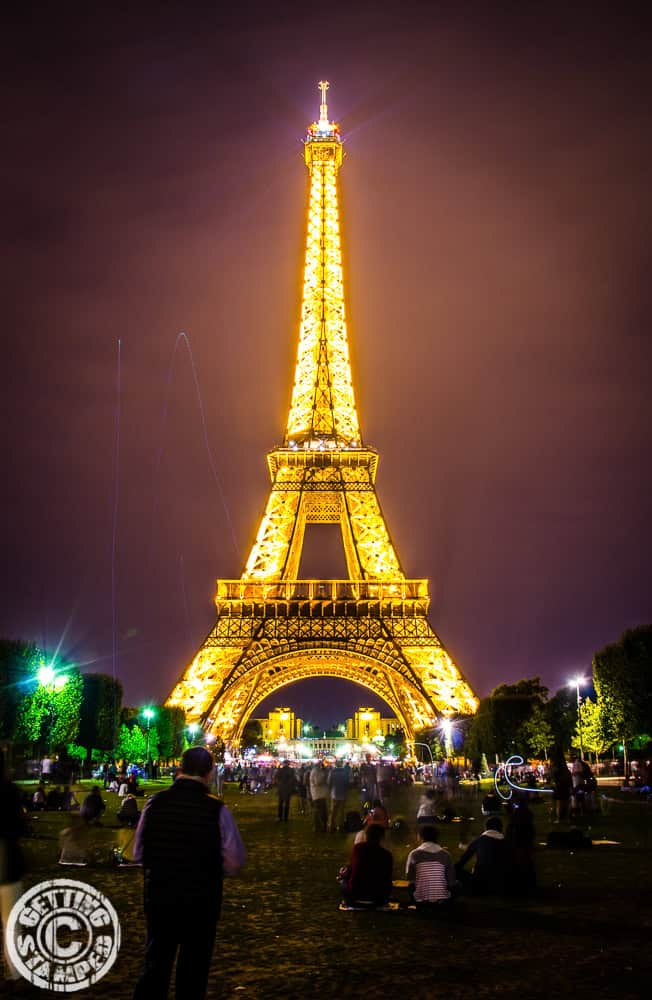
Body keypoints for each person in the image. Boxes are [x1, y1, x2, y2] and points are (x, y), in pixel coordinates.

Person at [133, 746, 246, 1000]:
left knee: (154, 966)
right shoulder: (218, 810)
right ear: (209, 772)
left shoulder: (154, 804)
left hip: (160, 897)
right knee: (194, 973)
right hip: (201, 901)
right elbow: (234, 861)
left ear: (179, 769)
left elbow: (138, 852)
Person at [0, 749, 28, 985]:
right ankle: (15, 970)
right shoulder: (10, 791)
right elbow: (20, 826)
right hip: (7, 860)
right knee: (11, 922)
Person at [344, 822, 393, 908]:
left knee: (342, 882)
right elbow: (387, 879)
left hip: (354, 896)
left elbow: (351, 870)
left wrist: (344, 874)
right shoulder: (387, 855)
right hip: (378, 899)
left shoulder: (358, 849)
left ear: (366, 835)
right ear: (381, 837)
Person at [406, 826, 457, 908]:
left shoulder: (414, 854)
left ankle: (420, 898)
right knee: (458, 884)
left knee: (411, 883)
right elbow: (451, 880)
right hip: (443, 899)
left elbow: (409, 877)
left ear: (420, 837)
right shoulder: (446, 854)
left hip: (420, 899)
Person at [456, 817, 509, 895]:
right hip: (501, 884)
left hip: (479, 883)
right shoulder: (507, 843)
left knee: (455, 870)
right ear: (501, 828)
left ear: (486, 828)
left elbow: (462, 862)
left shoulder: (479, 841)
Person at [549, 747, 573, 822]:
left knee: (559, 802)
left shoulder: (555, 762)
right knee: (566, 801)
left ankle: (559, 818)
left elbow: (553, 773)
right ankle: (567, 817)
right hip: (565, 784)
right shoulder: (563, 764)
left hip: (559, 784)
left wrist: (553, 781)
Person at [327, 762, 350, 833]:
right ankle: (340, 826)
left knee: (333, 811)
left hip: (334, 794)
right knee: (341, 811)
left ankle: (331, 826)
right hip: (343, 794)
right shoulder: (345, 772)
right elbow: (347, 783)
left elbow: (329, 782)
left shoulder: (332, 772)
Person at [309, 761, 329, 833]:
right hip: (318, 795)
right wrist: (325, 776)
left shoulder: (317, 771)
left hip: (320, 794)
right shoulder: (316, 771)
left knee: (321, 812)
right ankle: (319, 827)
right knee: (319, 812)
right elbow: (317, 782)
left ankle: (320, 827)